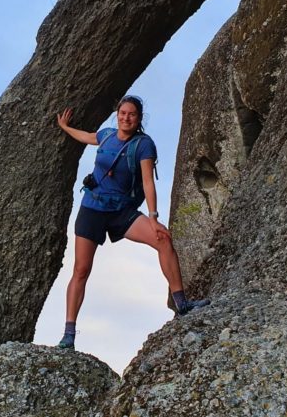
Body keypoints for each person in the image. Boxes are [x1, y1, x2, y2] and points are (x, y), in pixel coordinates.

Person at [55, 95, 209, 350]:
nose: (126, 118)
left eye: (131, 114)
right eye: (122, 113)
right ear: (118, 114)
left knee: (163, 239)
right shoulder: (106, 135)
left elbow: (148, 181)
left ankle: (182, 304)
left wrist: (153, 217)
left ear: (138, 119)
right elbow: (86, 137)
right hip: (92, 208)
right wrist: (65, 128)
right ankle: (69, 333)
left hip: (121, 211)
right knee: (81, 270)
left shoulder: (144, 145)